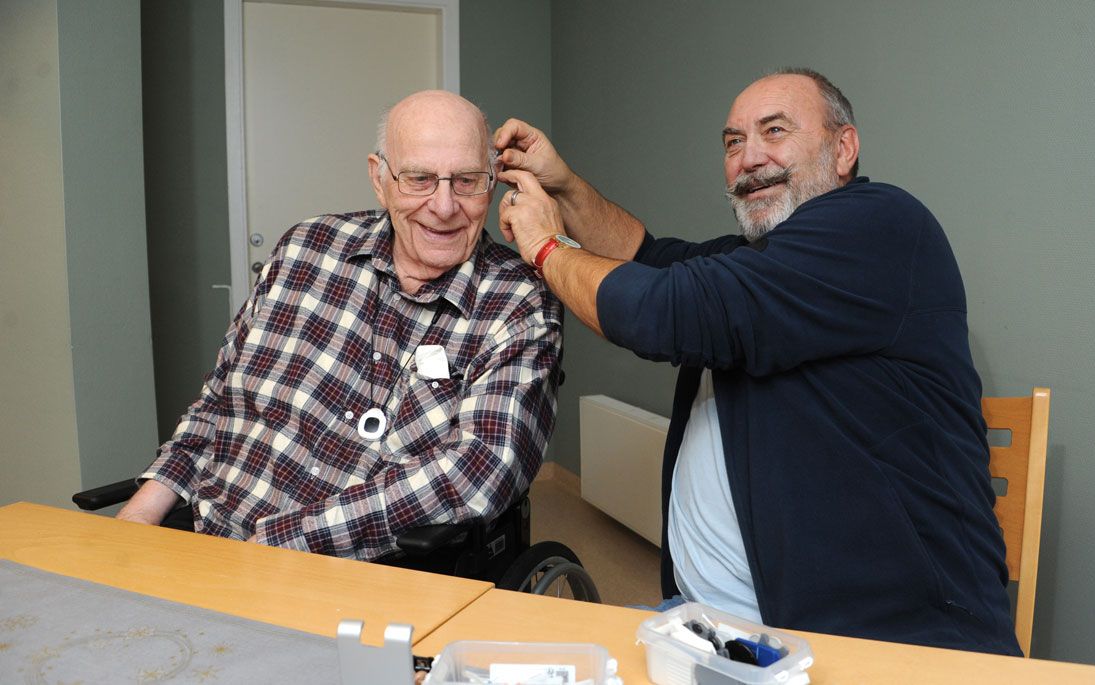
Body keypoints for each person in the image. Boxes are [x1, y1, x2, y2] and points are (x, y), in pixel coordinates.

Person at [493, 68, 1021, 655]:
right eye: (733, 142)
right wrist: (563, 185)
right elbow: (644, 255)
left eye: (774, 131)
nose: (749, 157)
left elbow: (667, 310)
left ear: (843, 147)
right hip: (711, 631)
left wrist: (546, 245)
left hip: (876, 646)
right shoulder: (766, 261)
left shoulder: (880, 225)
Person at [116, 91, 563, 562]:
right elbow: (220, 400)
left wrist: (270, 548)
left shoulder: (519, 302)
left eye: (468, 181)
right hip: (209, 532)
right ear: (379, 178)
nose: (445, 205)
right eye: (418, 179)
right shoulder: (305, 249)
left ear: (494, 184)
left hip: (351, 572)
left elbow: (476, 472)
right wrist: (140, 516)